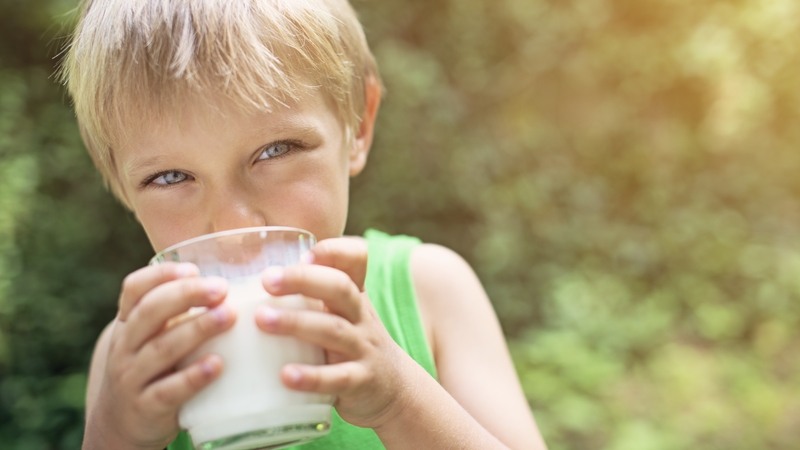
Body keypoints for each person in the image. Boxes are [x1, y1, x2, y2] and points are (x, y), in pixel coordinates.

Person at [61, 0, 547, 448]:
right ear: (122, 186)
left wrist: (397, 399)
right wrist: (115, 435)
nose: (235, 224)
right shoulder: (133, 354)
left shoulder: (427, 291)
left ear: (357, 125)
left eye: (276, 150)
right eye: (171, 176)